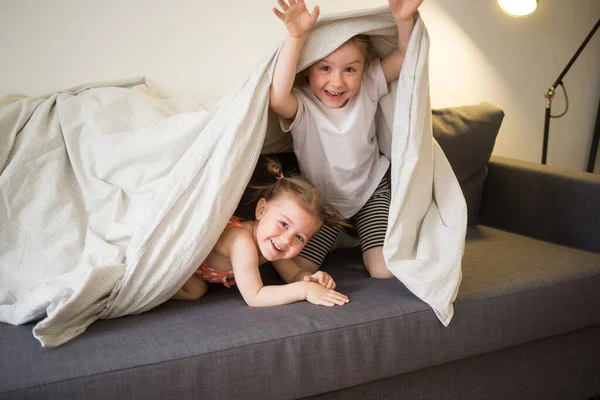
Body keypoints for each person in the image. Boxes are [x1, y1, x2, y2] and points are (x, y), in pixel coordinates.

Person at [269, 0, 422, 279]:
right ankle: (341, 233)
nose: (337, 83)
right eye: (325, 69)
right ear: (307, 70)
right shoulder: (303, 105)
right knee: (297, 268)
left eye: (350, 69)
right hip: (323, 205)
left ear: (363, 69)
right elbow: (278, 99)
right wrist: (295, 37)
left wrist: (403, 18)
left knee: (383, 270)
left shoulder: (368, 86)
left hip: (369, 192)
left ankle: (357, 233)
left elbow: (404, 55)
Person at [172, 158, 349, 307]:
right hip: (182, 264)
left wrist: (311, 280)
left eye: (299, 237)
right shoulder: (241, 241)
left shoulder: (274, 245)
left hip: (199, 276)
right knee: (195, 290)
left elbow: (293, 274)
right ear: (261, 210)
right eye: (283, 224)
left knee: (197, 290)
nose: (287, 240)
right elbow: (254, 296)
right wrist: (304, 290)